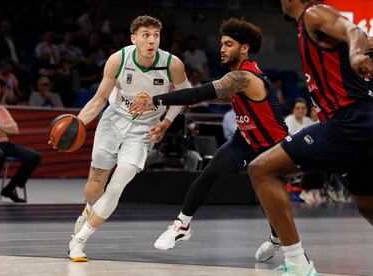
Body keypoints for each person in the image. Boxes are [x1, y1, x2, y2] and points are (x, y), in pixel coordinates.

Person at [130, 17, 288, 263]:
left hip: (272, 146)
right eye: (222, 44)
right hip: (245, 139)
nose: (222, 49)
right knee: (209, 173)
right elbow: (218, 98)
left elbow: (199, 91)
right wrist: (187, 101)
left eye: (228, 44)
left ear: (244, 48)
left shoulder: (243, 77)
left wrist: (157, 100)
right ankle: (182, 226)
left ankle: (278, 239)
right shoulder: (237, 78)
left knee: (269, 198)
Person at [246, 1, 373, 275]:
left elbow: (354, 32)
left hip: (349, 121)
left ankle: (297, 264)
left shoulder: (315, 13)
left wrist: (355, 53)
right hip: (358, 123)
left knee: (261, 169)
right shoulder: (308, 25)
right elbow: (362, 38)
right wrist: (360, 48)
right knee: (366, 204)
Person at [65, 15, 190, 262]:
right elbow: (99, 100)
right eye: (146, 35)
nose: (152, 40)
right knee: (94, 188)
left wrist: (165, 123)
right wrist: (76, 124)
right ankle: (89, 209)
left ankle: (79, 241)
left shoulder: (172, 64)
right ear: (134, 39)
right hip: (113, 120)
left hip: (145, 129)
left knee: (117, 185)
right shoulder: (118, 60)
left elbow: (186, 95)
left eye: (156, 35)